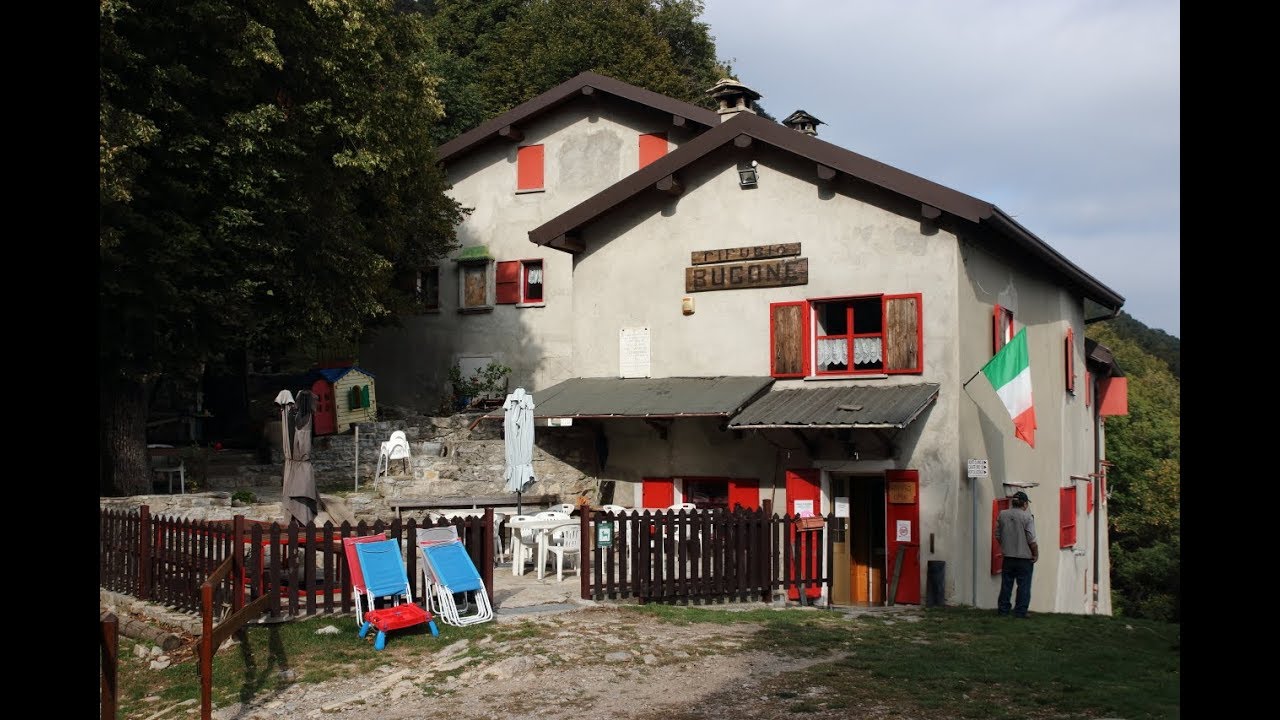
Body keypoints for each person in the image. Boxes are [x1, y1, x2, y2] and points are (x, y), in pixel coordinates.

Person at [995, 490, 1038, 618]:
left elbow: (997, 535)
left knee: (1006, 585)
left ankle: (1003, 610)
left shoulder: (1002, 514)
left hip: (1008, 556)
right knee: (1023, 586)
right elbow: (1031, 539)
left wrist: (1005, 545)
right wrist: (1035, 554)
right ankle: (1020, 612)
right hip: (1024, 557)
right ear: (1024, 504)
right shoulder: (1027, 517)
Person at [282, 389, 320, 526]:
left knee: (300, 497)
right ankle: (302, 523)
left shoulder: (294, 416)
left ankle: (299, 522)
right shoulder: (305, 417)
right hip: (301, 465)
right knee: (302, 497)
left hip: (297, 465)